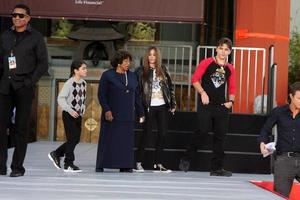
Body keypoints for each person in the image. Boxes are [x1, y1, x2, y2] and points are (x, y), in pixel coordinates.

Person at [0, 4, 49, 177]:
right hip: (5, 87)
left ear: (28, 18)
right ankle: (1, 166)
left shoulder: (36, 37)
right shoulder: (5, 36)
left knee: (21, 129)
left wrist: (29, 82)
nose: (17, 18)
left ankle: (17, 168)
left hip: (24, 88)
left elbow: (43, 64)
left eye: (21, 16)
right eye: (14, 15)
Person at [178, 37, 235, 177]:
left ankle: (217, 168)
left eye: (226, 49)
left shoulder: (230, 68)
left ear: (229, 51)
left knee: (220, 136)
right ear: (216, 49)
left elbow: (232, 87)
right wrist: (203, 92)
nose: (223, 51)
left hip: (222, 106)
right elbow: (195, 80)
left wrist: (231, 102)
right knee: (202, 130)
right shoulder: (207, 62)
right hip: (206, 104)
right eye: (221, 48)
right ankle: (186, 157)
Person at [95, 50, 144, 173]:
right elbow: (101, 95)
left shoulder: (132, 76)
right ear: (118, 62)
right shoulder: (107, 75)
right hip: (111, 114)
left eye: (129, 61)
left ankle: (125, 165)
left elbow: (137, 95)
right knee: (108, 139)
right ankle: (102, 164)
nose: (129, 63)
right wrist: (107, 110)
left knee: (125, 141)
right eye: (126, 61)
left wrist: (141, 112)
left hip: (127, 115)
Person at [134, 46, 176, 173]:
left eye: (154, 55)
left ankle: (158, 164)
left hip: (162, 106)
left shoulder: (163, 70)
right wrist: (140, 109)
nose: (152, 57)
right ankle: (138, 162)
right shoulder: (140, 71)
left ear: (158, 57)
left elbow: (170, 88)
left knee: (162, 134)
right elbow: (137, 92)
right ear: (146, 56)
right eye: (150, 54)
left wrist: (172, 104)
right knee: (146, 134)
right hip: (148, 107)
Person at [258, 82, 300, 198]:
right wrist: (262, 142)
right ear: (291, 96)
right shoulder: (278, 112)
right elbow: (266, 129)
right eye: (299, 98)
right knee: (280, 196)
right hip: (284, 161)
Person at [48, 60, 87, 173]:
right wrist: (70, 110)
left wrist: (82, 108)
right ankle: (68, 164)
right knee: (72, 139)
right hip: (69, 114)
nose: (86, 70)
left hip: (78, 115)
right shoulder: (69, 83)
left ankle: (56, 153)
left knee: (75, 139)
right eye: (83, 68)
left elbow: (82, 99)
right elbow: (60, 98)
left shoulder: (84, 83)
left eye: (86, 68)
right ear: (75, 70)